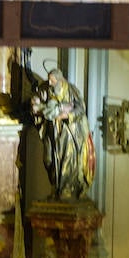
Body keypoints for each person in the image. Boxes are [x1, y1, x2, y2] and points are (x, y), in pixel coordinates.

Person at [29, 66, 95, 201]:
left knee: (67, 160)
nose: (50, 83)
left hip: (69, 132)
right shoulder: (46, 89)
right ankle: (55, 187)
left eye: (52, 81)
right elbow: (37, 101)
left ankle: (67, 191)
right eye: (49, 81)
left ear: (60, 80)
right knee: (48, 159)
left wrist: (66, 115)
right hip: (51, 132)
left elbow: (80, 108)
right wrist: (35, 104)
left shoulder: (71, 90)